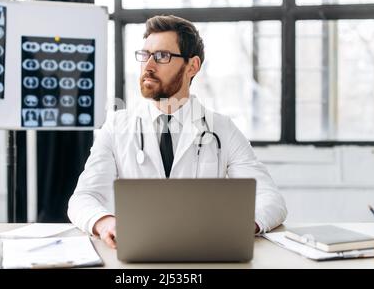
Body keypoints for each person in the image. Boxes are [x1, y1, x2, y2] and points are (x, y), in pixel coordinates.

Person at [68, 15, 287, 249]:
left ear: (192, 66)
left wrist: (236, 227)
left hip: (203, 253)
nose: (148, 66)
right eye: (145, 55)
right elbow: (82, 198)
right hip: (136, 254)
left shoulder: (222, 129)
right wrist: (104, 222)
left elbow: (271, 200)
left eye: (162, 56)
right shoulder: (116, 128)